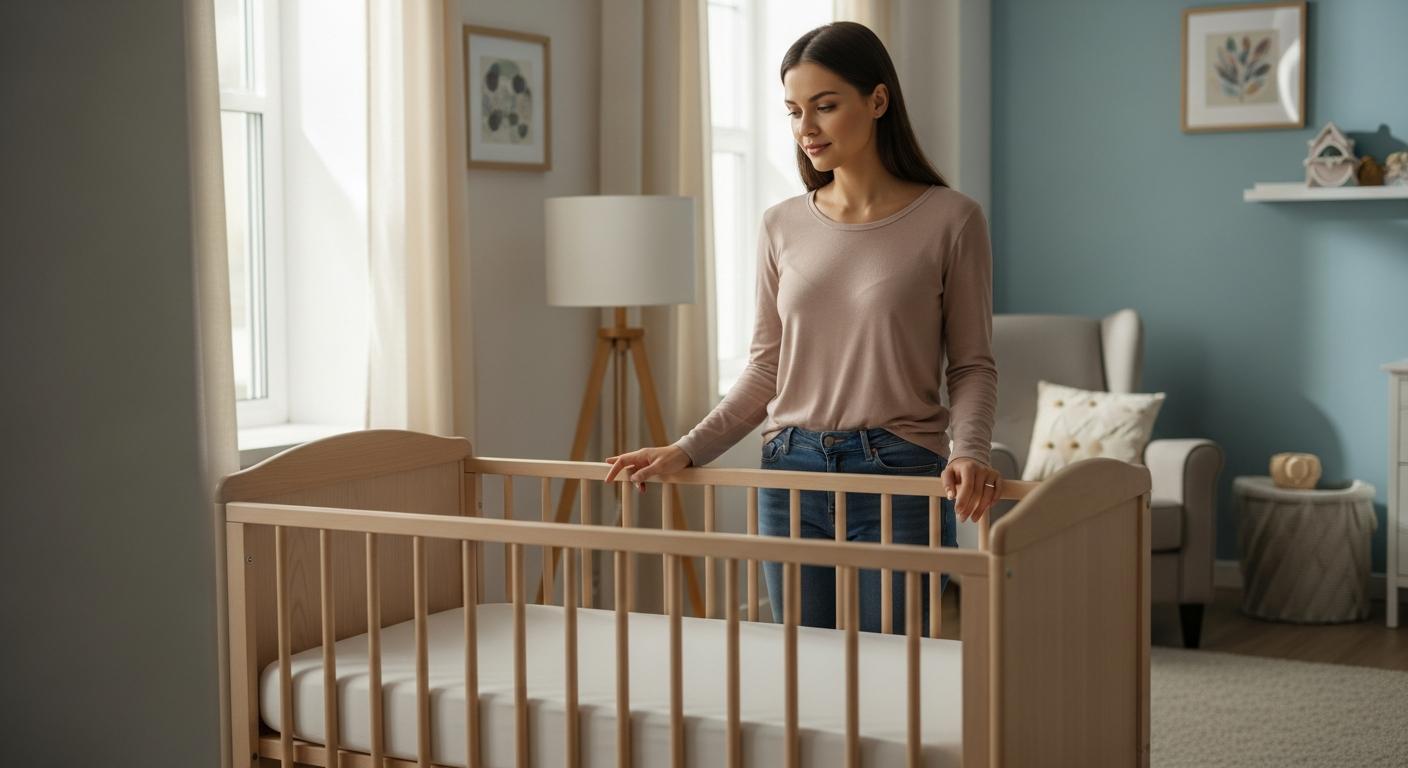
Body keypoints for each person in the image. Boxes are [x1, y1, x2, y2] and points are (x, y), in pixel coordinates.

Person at [604, 21, 999, 633]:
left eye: (825, 106)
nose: (805, 128)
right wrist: (686, 449)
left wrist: (970, 451)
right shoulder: (782, 224)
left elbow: (971, 364)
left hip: (898, 471)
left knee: (894, 669)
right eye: (793, 111)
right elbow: (766, 367)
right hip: (790, 470)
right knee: (799, 668)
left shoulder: (952, 219)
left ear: (877, 100)